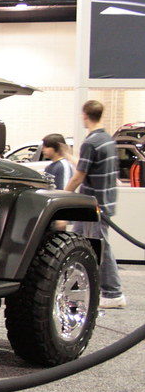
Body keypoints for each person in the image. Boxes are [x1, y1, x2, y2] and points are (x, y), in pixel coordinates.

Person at [65, 100, 126, 308]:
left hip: (93, 206)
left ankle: (113, 293)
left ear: (85, 115)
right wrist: (69, 156)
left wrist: (62, 196)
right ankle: (77, 289)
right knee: (77, 244)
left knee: (100, 248)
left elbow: (79, 176)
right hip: (103, 202)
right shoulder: (107, 140)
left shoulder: (91, 143)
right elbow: (90, 168)